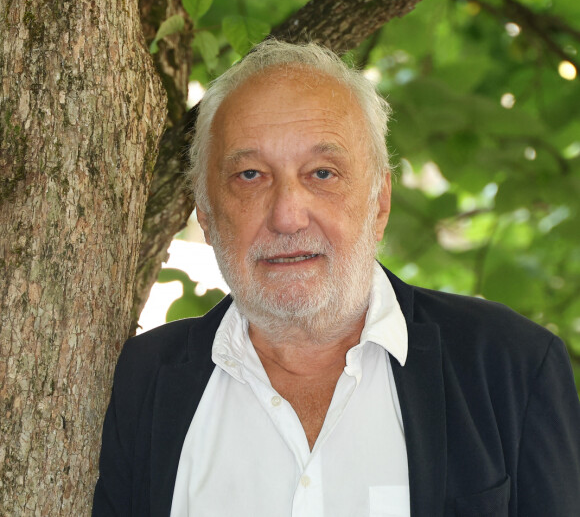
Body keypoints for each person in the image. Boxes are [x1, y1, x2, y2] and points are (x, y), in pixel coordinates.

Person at [93, 40, 580, 517]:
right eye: (249, 175)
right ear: (206, 212)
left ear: (379, 201)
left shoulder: (510, 366)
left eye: (322, 173)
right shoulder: (144, 380)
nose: (287, 216)